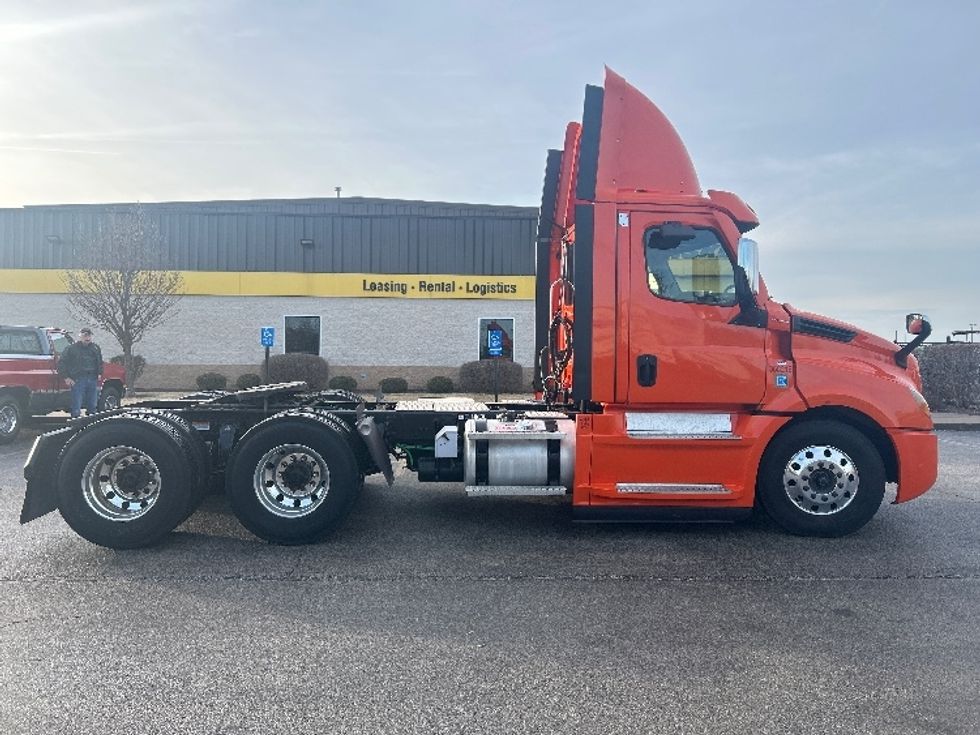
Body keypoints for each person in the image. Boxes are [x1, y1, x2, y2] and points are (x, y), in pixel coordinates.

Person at [58, 327, 104, 418]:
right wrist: (66, 377)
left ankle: (91, 422)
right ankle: (76, 423)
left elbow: (99, 361)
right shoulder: (71, 348)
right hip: (78, 380)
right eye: (85, 336)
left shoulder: (95, 348)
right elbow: (61, 363)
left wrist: (99, 373)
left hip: (92, 379)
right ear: (80, 336)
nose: (87, 338)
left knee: (92, 405)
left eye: (89, 336)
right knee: (76, 406)